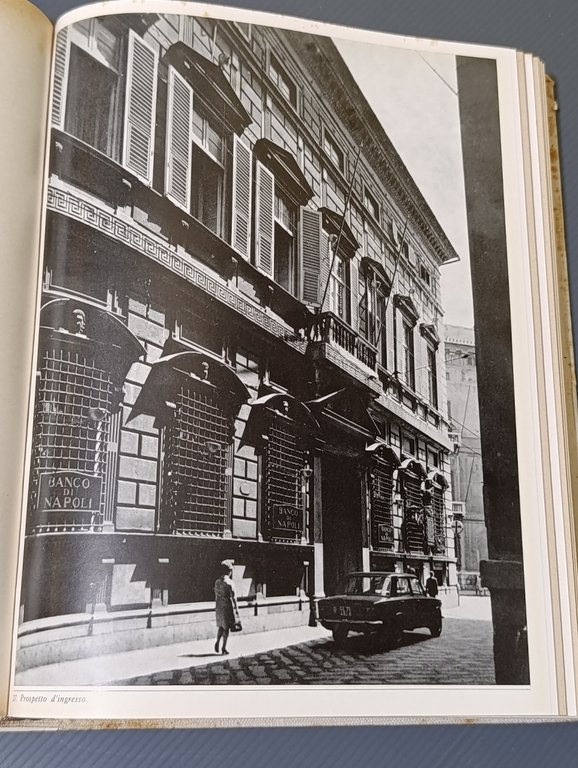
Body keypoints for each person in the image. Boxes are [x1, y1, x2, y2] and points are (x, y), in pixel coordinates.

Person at [214, 560, 240, 655]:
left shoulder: (217, 582)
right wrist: (236, 609)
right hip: (227, 606)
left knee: (221, 625)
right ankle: (223, 648)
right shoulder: (229, 583)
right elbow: (234, 597)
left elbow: (216, 594)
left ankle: (217, 641)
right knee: (227, 627)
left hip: (218, 605)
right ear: (229, 571)